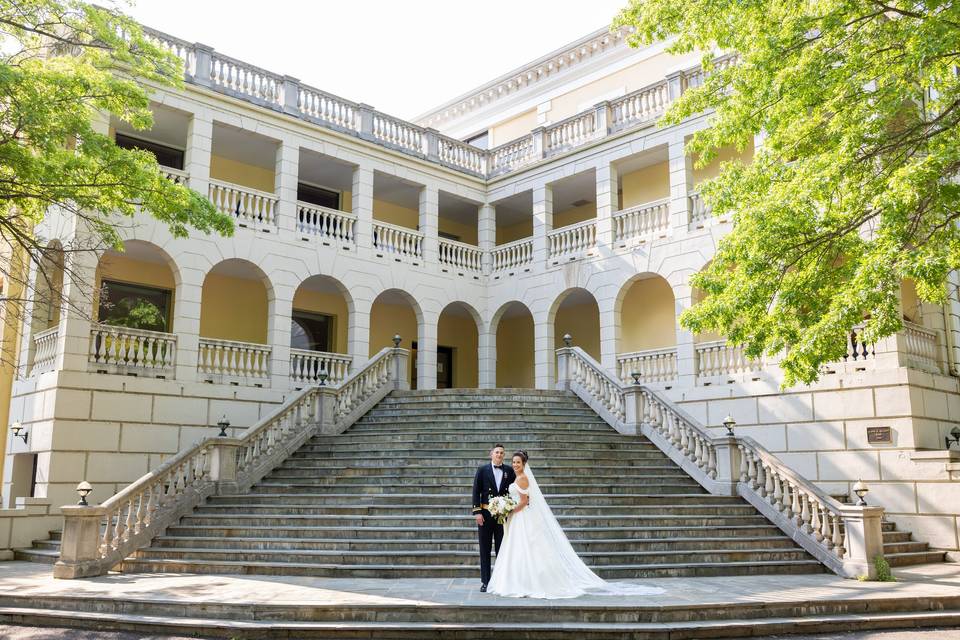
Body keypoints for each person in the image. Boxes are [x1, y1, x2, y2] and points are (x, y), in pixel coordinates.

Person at [487, 451, 665, 599]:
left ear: (524, 464)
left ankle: (529, 582)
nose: (515, 464)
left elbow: (525, 501)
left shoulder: (523, 479)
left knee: (527, 548)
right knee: (518, 549)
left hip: (522, 516)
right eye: (514, 462)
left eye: (518, 462)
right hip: (518, 517)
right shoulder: (517, 477)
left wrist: (509, 511)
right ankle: (520, 579)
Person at [471, 443, 516, 592]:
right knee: (484, 549)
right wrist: (477, 512)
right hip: (485, 514)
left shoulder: (509, 471)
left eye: (502, 453)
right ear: (491, 454)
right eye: (497, 452)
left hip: (502, 516)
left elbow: (513, 492)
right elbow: (476, 491)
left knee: (501, 549)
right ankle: (486, 581)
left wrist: (510, 509)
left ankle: (501, 581)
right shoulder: (482, 470)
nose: (499, 455)